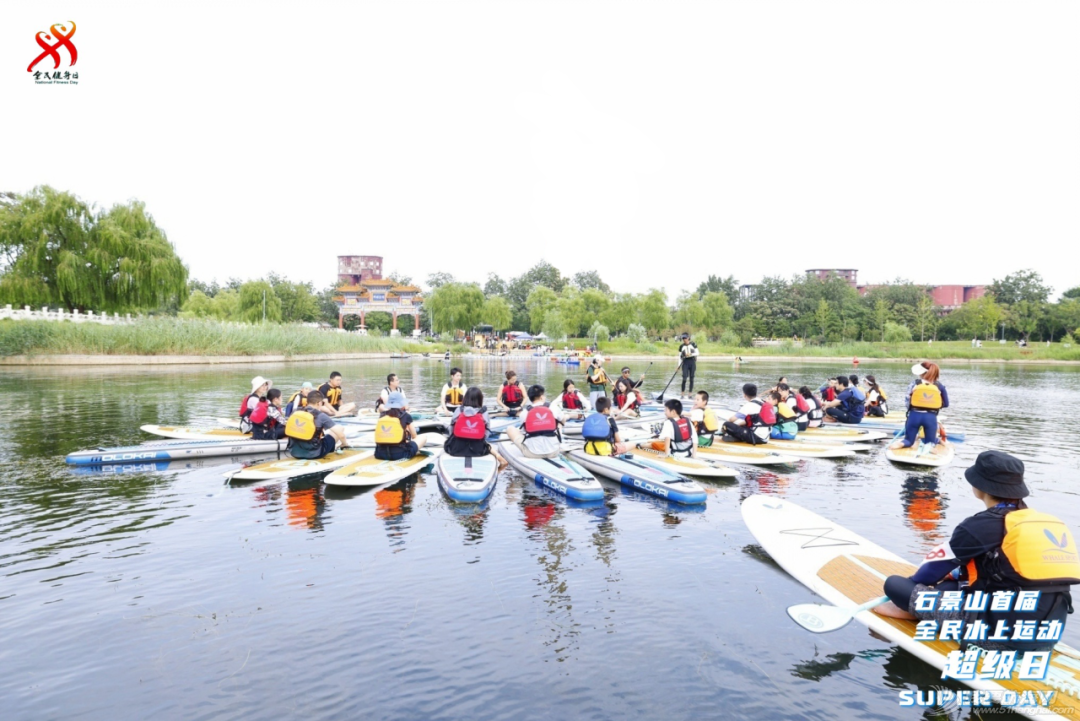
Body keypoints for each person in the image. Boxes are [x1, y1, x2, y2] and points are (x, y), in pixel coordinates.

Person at [875, 451, 1079, 654]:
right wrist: (955, 575)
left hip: (995, 638)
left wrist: (910, 593)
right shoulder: (1039, 523)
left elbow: (925, 575)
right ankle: (926, 610)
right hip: (1048, 635)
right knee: (950, 585)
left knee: (895, 584)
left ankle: (919, 612)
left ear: (980, 486)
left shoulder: (979, 525)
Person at [889, 362, 950, 455]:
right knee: (930, 442)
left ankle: (901, 443)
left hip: (914, 416)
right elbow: (946, 404)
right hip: (930, 417)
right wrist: (932, 405)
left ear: (921, 373)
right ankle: (930, 447)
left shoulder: (915, 383)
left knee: (909, 440)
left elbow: (907, 401)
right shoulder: (939, 386)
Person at [444, 387, 505, 464]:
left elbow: (452, 429)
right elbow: (486, 434)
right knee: (487, 444)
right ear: (480, 399)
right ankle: (497, 455)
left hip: (457, 449)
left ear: (465, 398)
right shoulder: (483, 412)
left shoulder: (459, 410)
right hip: (478, 450)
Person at [284, 390, 350, 459]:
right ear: (319, 403)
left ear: (307, 401)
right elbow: (341, 435)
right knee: (339, 428)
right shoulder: (321, 416)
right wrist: (345, 445)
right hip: (315, 453)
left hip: (294, 452)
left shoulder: (295, 412)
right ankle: (331, 452)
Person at [505, 385, 563, 459]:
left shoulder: (524, 412)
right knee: (559, 424)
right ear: (542, 397)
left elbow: (524, 432)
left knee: (510, 429)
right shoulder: (553, 407)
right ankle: (558, 443)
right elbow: (562, 419)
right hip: (554, 452)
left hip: (532, 453)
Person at [373, 391, 432, 460]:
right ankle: (412, 452)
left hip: (379, 454)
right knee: (423, 437)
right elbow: (414, 436)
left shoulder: (382, 415)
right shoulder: (406, 416)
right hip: (400, 454)